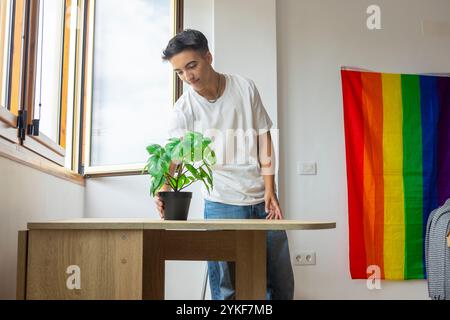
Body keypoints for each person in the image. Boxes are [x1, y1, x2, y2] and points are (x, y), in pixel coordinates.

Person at [155, 29, 294, 300]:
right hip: (220, 203)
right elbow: (172, 156)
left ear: (208, 57)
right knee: (228, 291)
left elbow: (263, 137)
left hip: (262, 200)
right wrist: (162, 187)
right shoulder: (184, 109)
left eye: (191, 66)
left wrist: (270, 189)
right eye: (180, 72)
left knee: (279, 285)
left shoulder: (245, 87)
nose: (188, 77)